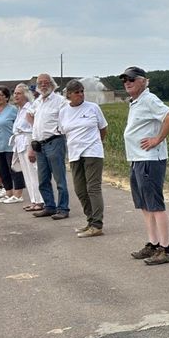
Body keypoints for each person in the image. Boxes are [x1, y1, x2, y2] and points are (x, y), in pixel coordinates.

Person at [120, 66, 169, 265]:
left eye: (131, 79)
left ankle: (166, 248)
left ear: (143, 81)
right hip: (137, 158)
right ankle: (153, 244)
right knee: (145, 205)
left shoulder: (149, 99)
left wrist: (157, 139)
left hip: (150, 160)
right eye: (124, 80)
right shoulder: (136, 102)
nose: (127, 82)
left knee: (154, 204)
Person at [60, 79, 108, 237]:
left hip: (92, 152)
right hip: (75, 153)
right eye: (76, 92)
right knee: (80, 189)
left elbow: (103, 128)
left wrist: (96, 143)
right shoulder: (64, 111)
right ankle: (90, 220)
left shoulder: (93, 108)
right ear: (69, 95)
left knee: (92, 188)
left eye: (82, 91)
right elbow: (63, 131)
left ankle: (97, 224)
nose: (80, 94)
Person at [29, 73, 70, 220]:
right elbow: (31, 117)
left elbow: (66, 118)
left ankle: (63, 208)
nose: (43, 85)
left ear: (52, 84)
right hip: (40, 144)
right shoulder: (38, 101)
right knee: (43, 178)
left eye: (46, 82)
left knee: (59, 178)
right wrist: (34, 138)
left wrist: (60, 131)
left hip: (54, 141)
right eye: (40, 83)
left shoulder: (60, 101)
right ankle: (49, 206)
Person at [0, 86, 24, 204]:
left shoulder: (13, 110)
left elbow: (19, 126)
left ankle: (18, 194)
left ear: (7, 97)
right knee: (1, 169)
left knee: (13, 169)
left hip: (9, 144)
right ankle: (8, 192)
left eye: (0, 95)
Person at [11, 83, 44, 212]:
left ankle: (40, 200)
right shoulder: (20, 110)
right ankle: (33, 200)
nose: (15, 96)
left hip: (28, 141)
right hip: (20, 142)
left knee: (33, 173)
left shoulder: (30, 108)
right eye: (14, 93)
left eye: (18, 93)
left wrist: (32, 148)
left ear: (25, 95)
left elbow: (33, 129)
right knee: (26, 174)